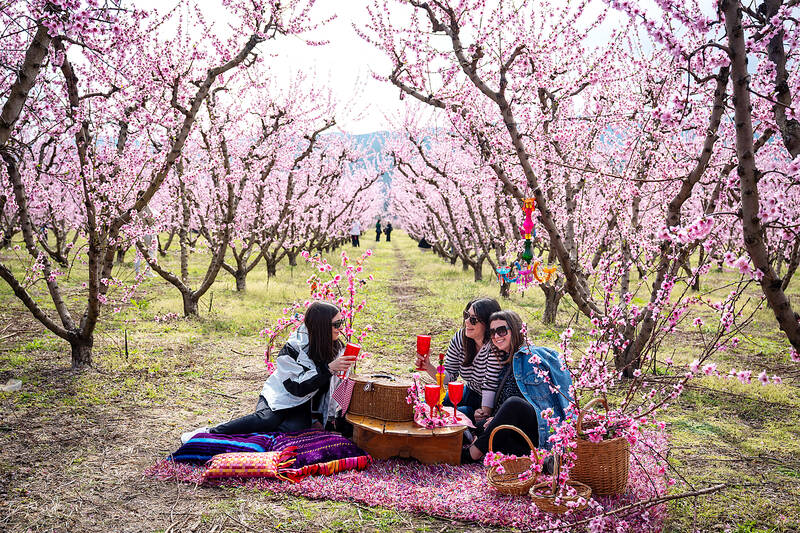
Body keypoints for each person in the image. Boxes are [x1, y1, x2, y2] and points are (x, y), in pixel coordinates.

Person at [181, 301, 356, 442]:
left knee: (291, 431)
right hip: (282, 394)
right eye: (337, 324)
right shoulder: (294, 349)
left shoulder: (337, 348)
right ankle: (208, 432)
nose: (341, 328)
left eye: (342, 322)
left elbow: (334, 391)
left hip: (305, 406)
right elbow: (296, 388)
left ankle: (254, 437)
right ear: (321, 327)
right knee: (267, 420)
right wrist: (329, 369)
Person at [462, 310, 573, 463]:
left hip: (538, 430)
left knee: (514, 404)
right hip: (518, 430)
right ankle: (531, 457)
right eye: (492, 332)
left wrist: (497, 418)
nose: (496, 336)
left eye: (501, 331)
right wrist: (493, 418)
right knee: (481, 425)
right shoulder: (507, 360)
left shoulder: (528, 358)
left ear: (514, 330)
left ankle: (473, 453)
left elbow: (538, 404)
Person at [415, 298, 503, 423]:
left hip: (490, 401)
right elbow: (449, 376)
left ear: (488, 323)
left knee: (458, 414)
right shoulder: (460, 338)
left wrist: (485, 413)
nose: (467, 322)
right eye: (466, 315)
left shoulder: (494, 345)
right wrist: (428, 366)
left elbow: (490, 385)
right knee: (426, 406)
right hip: (469, 391)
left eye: (473, 319)